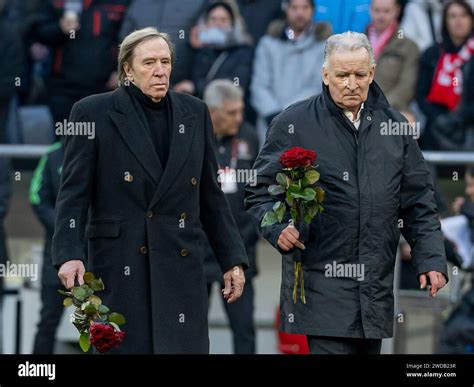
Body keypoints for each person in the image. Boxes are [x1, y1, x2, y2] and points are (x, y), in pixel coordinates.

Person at [245, 31, 448, 355]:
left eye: (359, 74)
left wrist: (431, 259)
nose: (351, 83)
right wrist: (278, 227)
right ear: (326, 75)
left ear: (372, 73)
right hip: (319, 284)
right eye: (342, 74)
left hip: (375, 288)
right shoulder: (293, 122)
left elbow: (418, 201)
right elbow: (260, 190)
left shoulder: (394, 128)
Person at [52, 27, 248, 354]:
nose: (160, 70)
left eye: (165, 61)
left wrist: (232, 259)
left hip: (180, 267)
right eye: (149, 63)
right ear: (127, 69)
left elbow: (211, 197)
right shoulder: (91, 112)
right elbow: (73, 194)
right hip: (119, 266)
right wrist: (69, 254)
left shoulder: (195, 112)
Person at [203, 80, 259, 354]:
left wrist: (241, 242)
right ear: (212, 113)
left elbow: (259, 195)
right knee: (191, 329)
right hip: (199, 254)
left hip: (239, 256)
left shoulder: (248, 135)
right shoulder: (193, 137)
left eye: (241, 111)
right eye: (231, 112)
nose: (239, 118)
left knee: (244, 329)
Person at [33, 0, 128, 129]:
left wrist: (121, 71)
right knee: (69, 141)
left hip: (104, 88)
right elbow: (37, 33)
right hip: (64, 89)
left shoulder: (120, 3)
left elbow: (128, 38)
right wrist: (60, 28)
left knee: (102, 141)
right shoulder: (56, 2)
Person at [250, 0, 330, 145]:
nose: (299, 12)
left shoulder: (324, 45)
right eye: (294, 7)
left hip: (307, 121)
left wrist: (287, 114)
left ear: (312, 10)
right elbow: (259, 85)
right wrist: (274, 114)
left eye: (305, 7)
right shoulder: (268, 43)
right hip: (270, 122)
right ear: (286, 10)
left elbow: (318, 85)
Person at [416, 0, 474, 150]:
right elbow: (421, 94)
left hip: (470, 126)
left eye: (463, 15)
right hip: (437, 126)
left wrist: (459, 119)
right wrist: (439, 118)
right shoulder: (432, 54)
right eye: (452, 16)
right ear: (445, 21)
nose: (458, 21)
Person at [119, 0, 209, 91]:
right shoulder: (137, 3)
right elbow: (125, 41)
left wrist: (195, 84)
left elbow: (215, 38)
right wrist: (121, 73)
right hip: (142, 84)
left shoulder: (199, 3)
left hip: (184, 84)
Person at [29, 142, 64, 354]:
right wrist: (64, 226)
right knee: (48, 319)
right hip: (56, 253)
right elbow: (36, 198)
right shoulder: (52, 155)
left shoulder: (101, 148)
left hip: (92, 251)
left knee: (97, 322)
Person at [191, 1, 254, 99]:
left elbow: (236, 85)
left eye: (223, 20)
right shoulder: (202, 51)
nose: (218, 24)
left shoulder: (243, 51)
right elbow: (196, 77)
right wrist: (195, 49)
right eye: (213, 19)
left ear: (233, 24)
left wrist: (195, 87)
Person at [367, 0, 419, 114]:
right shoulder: (357, 42)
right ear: (370, 10)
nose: (381, 16)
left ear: (397, 11)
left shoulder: (408, 46)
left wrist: (379, 107)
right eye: (377, 10)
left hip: (390, 111)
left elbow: (407, 86)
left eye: (386, 11)